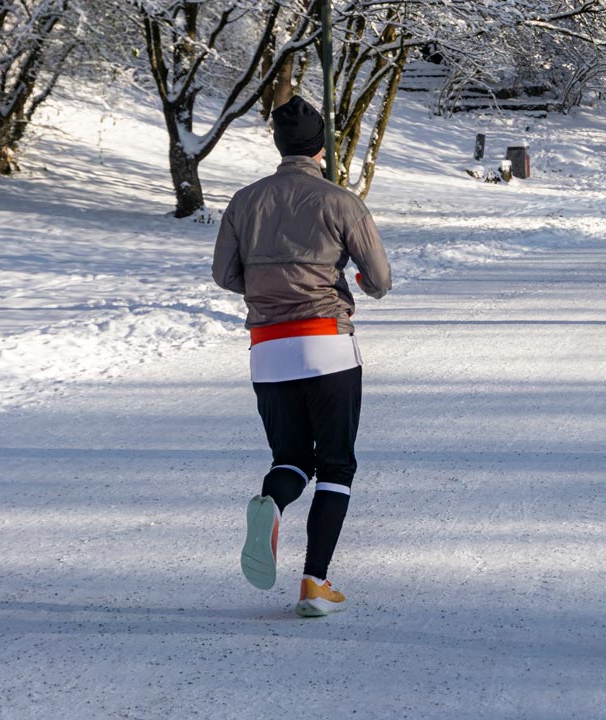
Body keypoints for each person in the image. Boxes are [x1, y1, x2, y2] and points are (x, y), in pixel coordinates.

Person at [212, 95, 392, 617]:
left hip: (268, 350)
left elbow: (225, 275)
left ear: (278, 144)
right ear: (320, 148)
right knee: (336, 464)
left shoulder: (244, 201)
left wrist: (265, 287)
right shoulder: (341, 201)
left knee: (291, 458)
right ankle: (315, 582)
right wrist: (355, 279)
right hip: (327, 343)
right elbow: (379, 279)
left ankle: (271, 504)